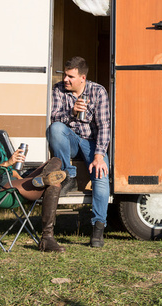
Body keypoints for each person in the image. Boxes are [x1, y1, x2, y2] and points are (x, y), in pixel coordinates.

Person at [0, 101, 67, 253]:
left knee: (56, 160)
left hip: (12, 183)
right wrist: (7, 163)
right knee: (55, 185)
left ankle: (42, 179)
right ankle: (47, 238)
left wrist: (17, 172)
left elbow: (11, 171)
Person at [47, 57, 110, 248]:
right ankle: (69, 174)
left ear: (82, 77)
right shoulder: (58, 90)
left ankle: (98, 227)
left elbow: (104, 126)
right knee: (56, 128)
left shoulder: (98, 91)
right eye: (65, 75)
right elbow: (53, 116)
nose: (65, 79)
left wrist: (99, 156)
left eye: (70, 76)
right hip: (71, 139)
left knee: (100, 175)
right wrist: (72, 113)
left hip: (92, 142)